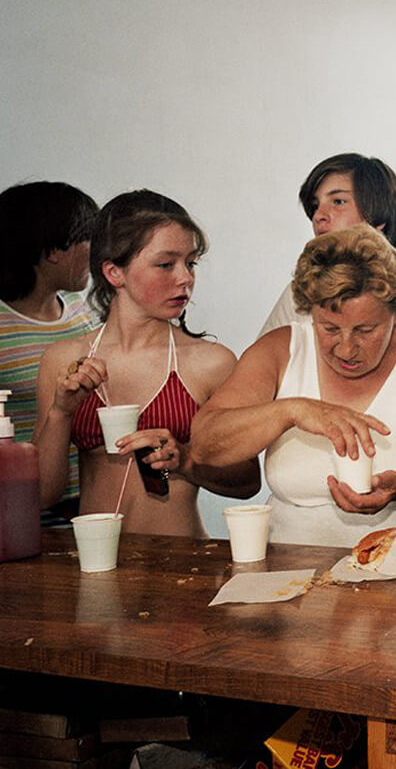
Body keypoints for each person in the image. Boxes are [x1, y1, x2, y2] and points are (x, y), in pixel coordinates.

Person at [189, 225, 396, 547]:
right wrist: (293, 410)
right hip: (290, 572)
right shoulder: (280, 350)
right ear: (309, 310)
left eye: (365, 330)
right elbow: (205, 444)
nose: (345, 348)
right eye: (328, 328)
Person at [34, 191, 259, 536]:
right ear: (114, 272)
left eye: (191, 263)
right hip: (95, 560)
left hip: (181, 561)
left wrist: (184, 459)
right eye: (166, 264)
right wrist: (61, 412)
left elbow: (247, 481)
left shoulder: (211, 362)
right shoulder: (63, 360)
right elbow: (42, 494)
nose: (185, 278)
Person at [259, 153, 396, 350]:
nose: (319, 216)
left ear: (378, 217)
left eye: (338, 202)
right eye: (315, 205)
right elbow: (260, 370)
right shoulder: (298, 295)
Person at [0, 182, 99, 524]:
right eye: (88, 239)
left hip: (89, 500)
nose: (96, 253)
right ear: (54, 251)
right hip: (20, 507)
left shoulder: (82, 310)